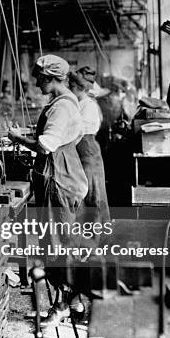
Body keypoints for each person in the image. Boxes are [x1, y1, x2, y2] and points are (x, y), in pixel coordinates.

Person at [7, 54, 88, 327]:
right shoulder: (68, 103)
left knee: (57, 243)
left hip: (58, 178)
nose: (37, 83)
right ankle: (74, 302)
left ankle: (60, 306)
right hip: (68, 172)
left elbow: (46, 145)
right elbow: (70, 138)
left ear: (51, 78)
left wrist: (19, 138)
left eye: (40, 78)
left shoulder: (60, 107)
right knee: (66, 240)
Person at [69, 67, 110, 223]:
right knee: (85, 195)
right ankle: (89, 236)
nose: (69, 90)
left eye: (71, 87)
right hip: (82, 153)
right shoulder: (79, 103)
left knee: (94, 195)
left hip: (88, 154)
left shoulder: (88, 105)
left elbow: (79, 134)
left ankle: (98, 237)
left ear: (81, 88)